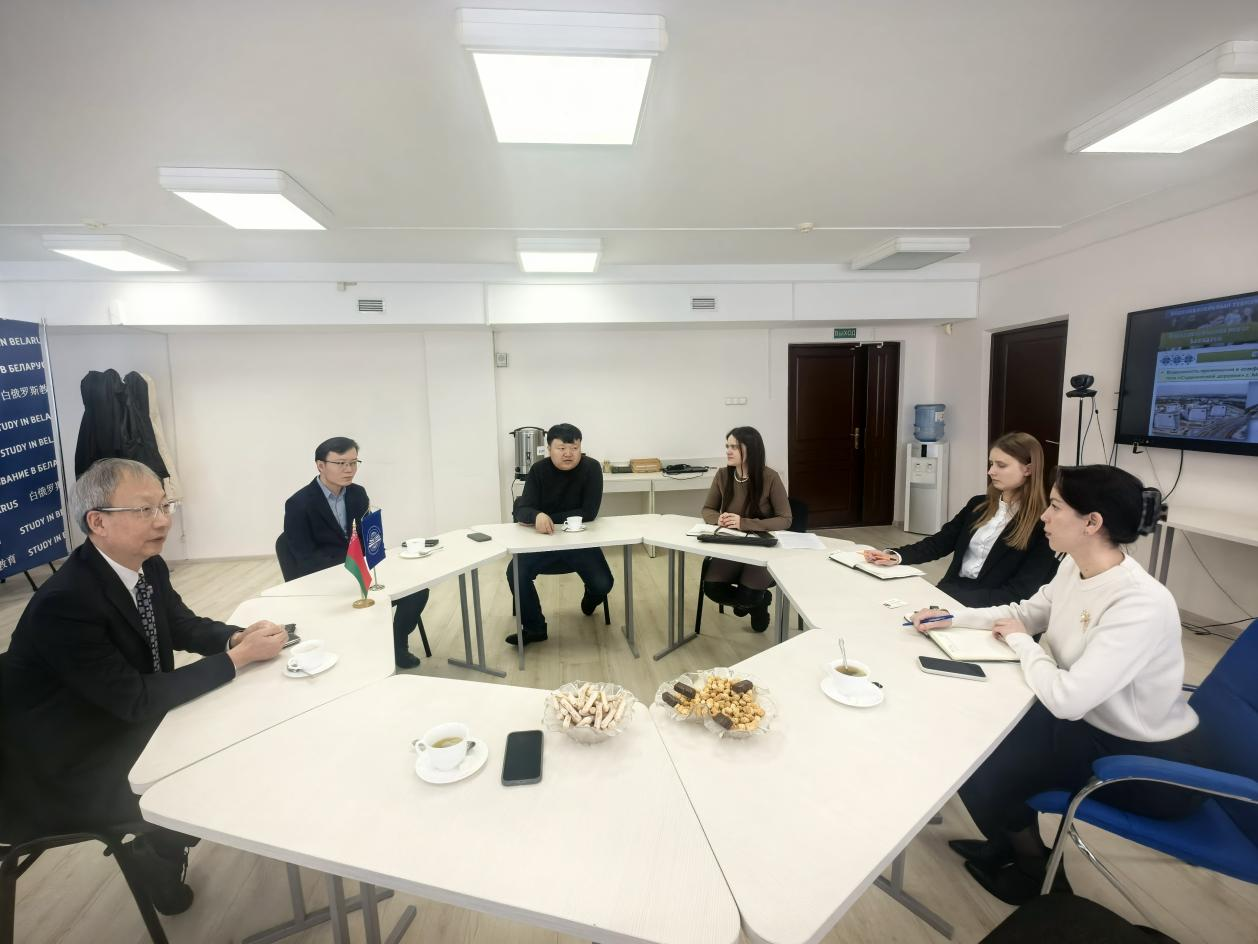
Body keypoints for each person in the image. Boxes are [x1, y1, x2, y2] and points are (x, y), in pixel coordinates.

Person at [0, 459, 287, 914]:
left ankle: (161, 848)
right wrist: (237, 659)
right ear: (98, 522)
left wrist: (234, 637)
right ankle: (159, 852)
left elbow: (181, 624)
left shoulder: (146, 566)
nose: (163, 520)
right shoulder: (65, 603)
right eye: (144, 510)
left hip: (114, 713)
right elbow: (136, 699)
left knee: (222, 731)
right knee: (200, 770)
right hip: (64, 762)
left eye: (165, 506)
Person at [908, 465, 1201, 905]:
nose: (1043, 515)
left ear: (1092, 523)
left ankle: (1037, 871)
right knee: (968, 733)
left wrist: (1024, 645)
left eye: (1056, 507)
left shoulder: (1139, 602)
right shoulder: (1074, 568)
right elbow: (1026, 614)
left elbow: (1067, 698)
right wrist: (954, 617)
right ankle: (1007, 844)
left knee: (986, 761)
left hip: (1140, 759)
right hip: (1088, 723)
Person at [863, 431, 1058, 606]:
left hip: (991, 608)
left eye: (1001, 465)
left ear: (1028, 470)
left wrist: (951, 602)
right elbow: (940, 543)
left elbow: (1020, 592)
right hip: (951, 592)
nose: (991, 471)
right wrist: (896, 556)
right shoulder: (978, 505)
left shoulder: (1045, 524)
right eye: (991, 464)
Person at [282, 437, 428, 668]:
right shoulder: (298, 504)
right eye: (341, 463)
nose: (349, 469)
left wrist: (378, 557)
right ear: (320, 466)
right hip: (325, 581)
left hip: (362, 573)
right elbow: (305, 558)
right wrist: (349, 569)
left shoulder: (357, 493)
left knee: (417, 590)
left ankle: (397, 644)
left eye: (353, 462)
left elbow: (367, 537)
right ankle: (357, 648)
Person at [506, 423, 613, 646]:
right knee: (515, 571)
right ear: (549, 449)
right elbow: (521, 509)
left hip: (581, 542)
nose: (568, 454)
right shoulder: (538, 470)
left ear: (580, 447)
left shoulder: (591, 468)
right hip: (544, 542)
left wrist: (548, 517)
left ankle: (590, 597)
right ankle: (535, 628)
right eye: (561, 448)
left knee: (604, 584)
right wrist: (536, 515)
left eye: (574, 448)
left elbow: (589, 512)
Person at [700, 426, 792, 632]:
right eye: (727, 446)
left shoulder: (770, 477)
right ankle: (757, 603)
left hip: (762, 547)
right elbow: (707, 509)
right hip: (732, 545)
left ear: (751, 449)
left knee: (748, 595)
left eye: (734, 447)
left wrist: (744, 523)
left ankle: (754, 602)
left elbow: (786, 519)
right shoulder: (723, 475)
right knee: (712, 589)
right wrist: (718, 519)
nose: (728, 451)